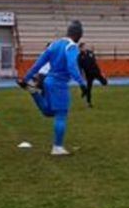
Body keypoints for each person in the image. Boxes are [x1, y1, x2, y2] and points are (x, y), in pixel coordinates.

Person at [18, 20, 87, 155]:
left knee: (48, 112)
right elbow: (72, 66)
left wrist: (25, 78)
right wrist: (81, 83)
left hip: (48, 81)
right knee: (61, 114)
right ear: (78, 35)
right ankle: (57, 147)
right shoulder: (71, 47)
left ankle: (33, 92)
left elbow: (38, 63)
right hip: (59, 84)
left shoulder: (54, 44)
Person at [78, 43, 109, 107]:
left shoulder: (90, 53)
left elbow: (95, 63)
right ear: (80, 48)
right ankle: (88, 103)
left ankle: (85, 91)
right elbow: (80, 68)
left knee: (104, 82)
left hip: (95, 71)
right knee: (89, 88)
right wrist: (82, 75)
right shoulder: (79, 57)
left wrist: (100, 72)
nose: (84, 48)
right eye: (83, 47)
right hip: (88, 74)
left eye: (85, 47)